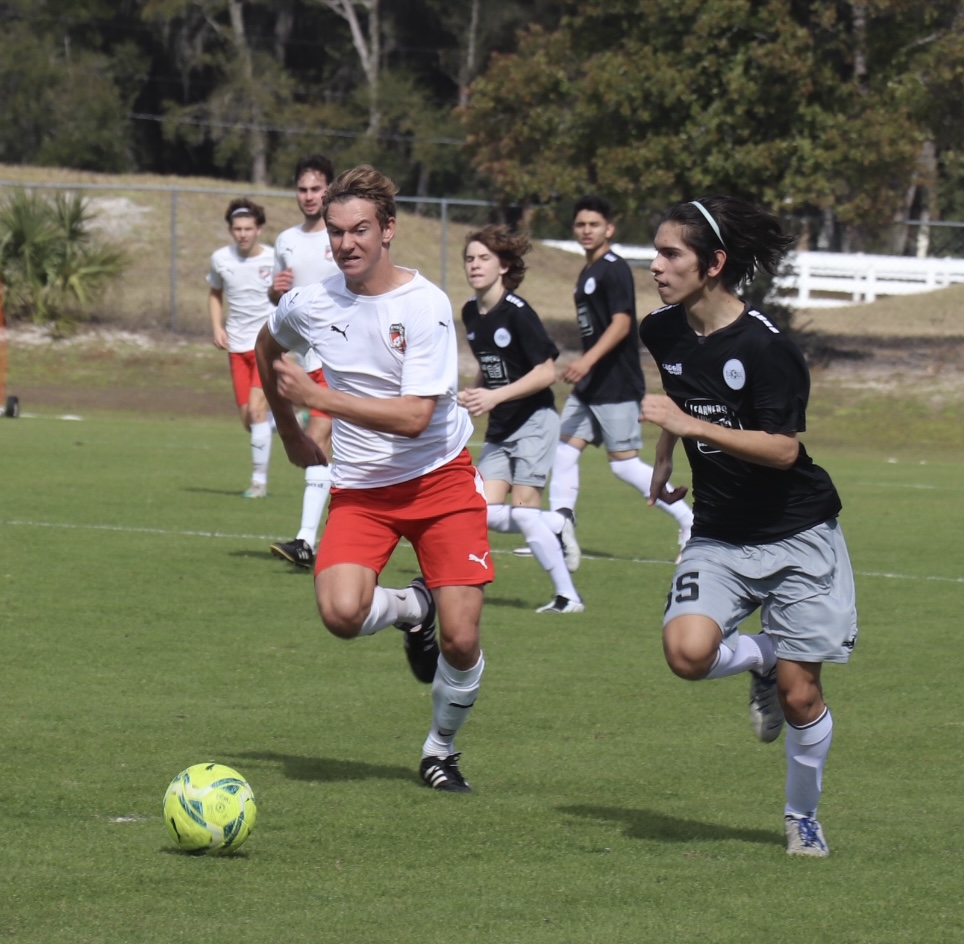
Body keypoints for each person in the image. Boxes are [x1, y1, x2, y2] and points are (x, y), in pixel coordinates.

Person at [256, 164, 490, 793]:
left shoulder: (425, 306)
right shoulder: (311, 301)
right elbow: (265, 349)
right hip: (362, 490)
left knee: (463, 639)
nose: (346, 244)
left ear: (388, 230)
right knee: (339, 613)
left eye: (359, 230)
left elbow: (416, 417)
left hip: (440, 482)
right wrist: (290, 431)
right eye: (335, 232)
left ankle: (440, 748)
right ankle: (415, 608)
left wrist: (319, 402)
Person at [638, 196, 858, 857]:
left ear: (713, 265)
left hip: (796, 533)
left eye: (670, 254)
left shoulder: (767, 349)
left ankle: (801, 817)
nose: (655, 265)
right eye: (655, 251)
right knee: (686, 653)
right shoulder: (661, 330)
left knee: (800, 696)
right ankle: (762, 657)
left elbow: (783, 449)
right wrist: (662, 457)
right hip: (720, 532)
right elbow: (677, 397)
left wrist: (691, 428)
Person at [548, 194, 693, 557]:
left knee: (625, 465)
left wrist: (586, 361)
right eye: (580, 225)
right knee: (563, 451)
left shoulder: (613, 268)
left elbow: (622, 323)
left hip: (614, 382)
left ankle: (691, 522)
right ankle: (559, 526)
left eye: (594, 225)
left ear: (609, 229)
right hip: (592, 385)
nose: (586, 230)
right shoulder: (589, 270)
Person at [459, 224, 584, 614]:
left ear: (503, 266)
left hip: (535, 421)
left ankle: (568, 598)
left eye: (483, 258)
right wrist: (475, 397)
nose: (475, 265)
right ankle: (556, 523)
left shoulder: (517, 312)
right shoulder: (470, 312)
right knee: (480, 511)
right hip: (501, 426)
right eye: (469, 259)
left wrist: (494, 395)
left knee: (525, 509)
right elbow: (491, 368)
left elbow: (547, 372)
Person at [268, 154, 340, 568]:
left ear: (329, 190)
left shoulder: (344, 232)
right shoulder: (286, 240)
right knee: (330, 442)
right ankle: (318, 540)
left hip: (345, 355)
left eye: (316, 188)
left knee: (318, 436)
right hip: (310, 356)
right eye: (303, 189)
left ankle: (308, 541)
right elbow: (281, 300)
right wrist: (275, 292)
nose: (309, 196)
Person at [207, 198, 277, 498]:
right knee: (249, 421)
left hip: (267, 345)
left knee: (258, 413)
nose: (243, 234)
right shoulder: (220, 259)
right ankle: (288, 418)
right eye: (237, 229)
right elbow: (214, 293)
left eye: (248, 228)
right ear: (230, 230)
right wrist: (217, 327)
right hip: (236, 346)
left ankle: (258, 482)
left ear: (259, 229)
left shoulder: (275, 259)